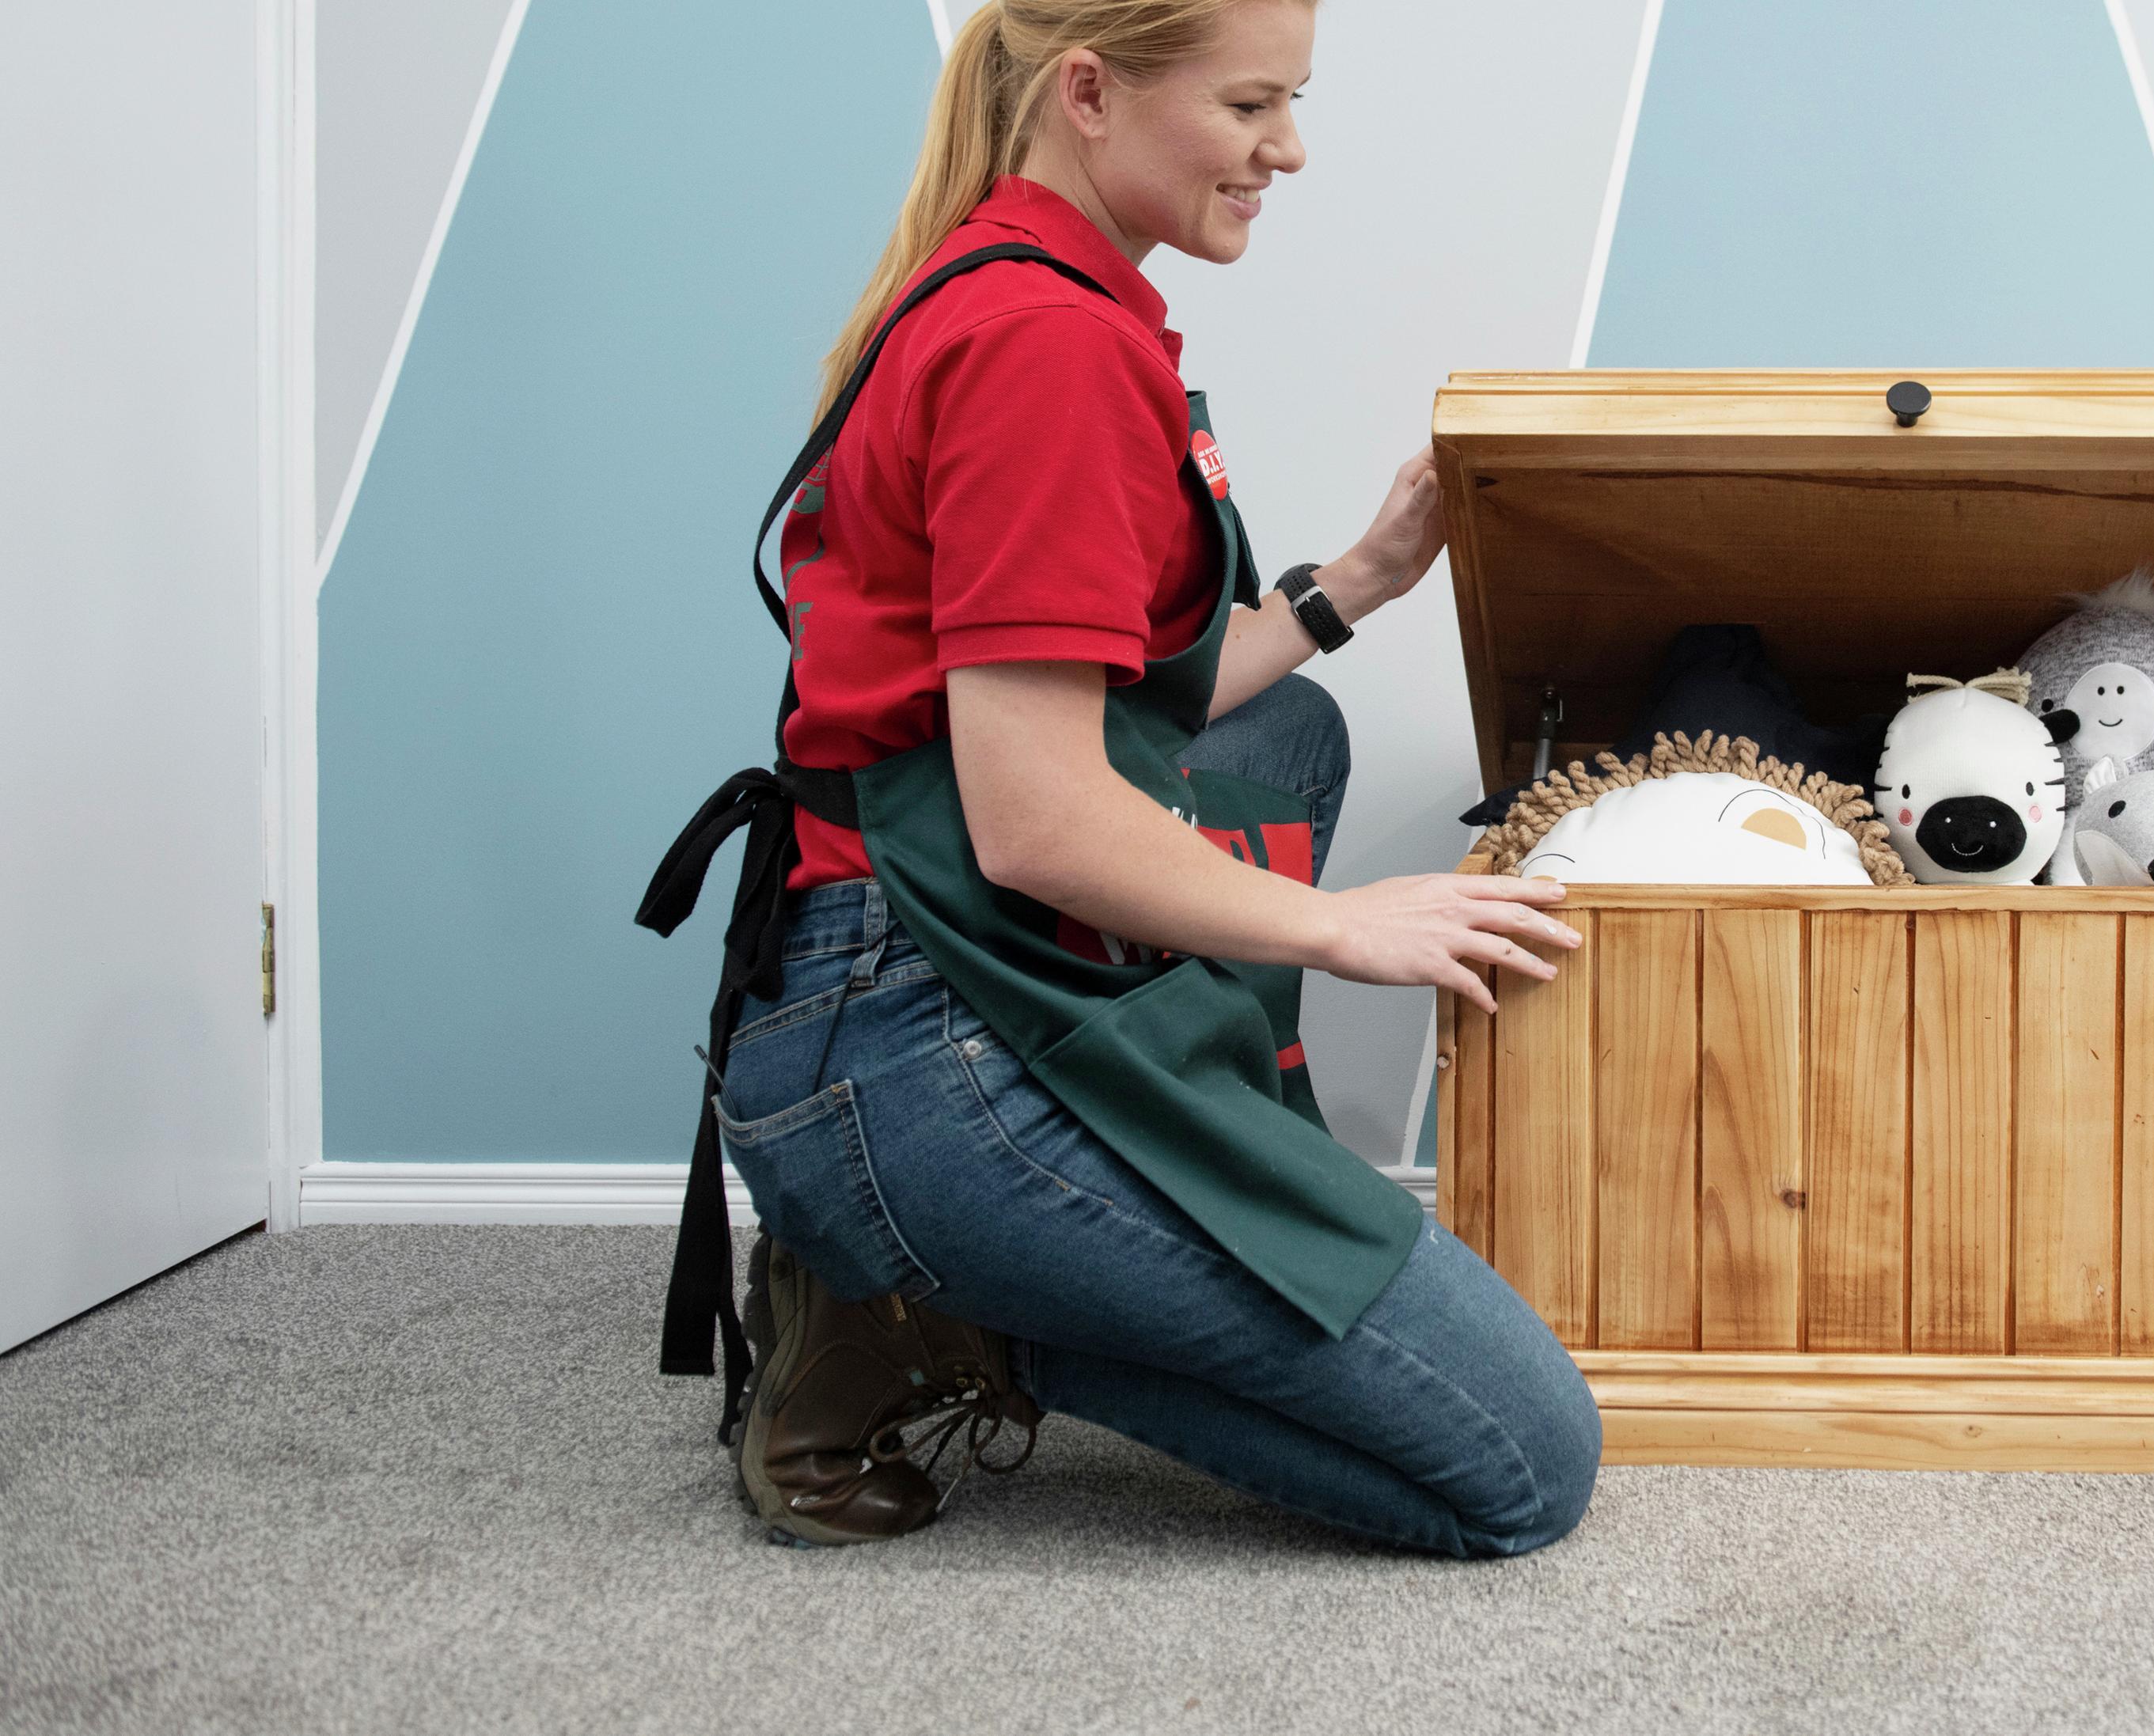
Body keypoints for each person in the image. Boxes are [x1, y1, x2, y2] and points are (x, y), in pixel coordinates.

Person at [639, 0, 1596, 1556]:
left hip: (873, 971)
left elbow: (1137, 691)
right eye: (1250, 105)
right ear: (1089, 91)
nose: (1288, 148)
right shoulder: (1048, 348)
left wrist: (1357, 578)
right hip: (918, 1039)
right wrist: (1349, 927)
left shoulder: (1023, 280)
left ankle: (976, 1236)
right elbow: (1033, 819)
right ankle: (932, 1309)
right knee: (1522, 1460)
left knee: (1293, 740)